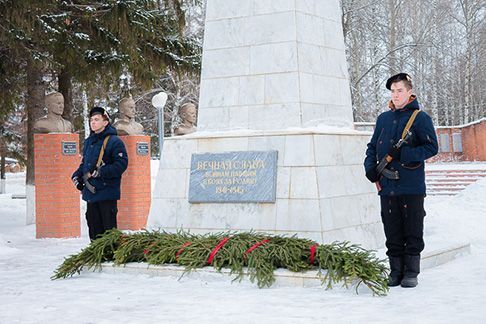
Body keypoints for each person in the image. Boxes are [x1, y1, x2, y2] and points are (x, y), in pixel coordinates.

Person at [364, 73, 438, 288]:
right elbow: (371, 147)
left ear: (409, 92)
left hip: (411, 185)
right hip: (387, 186)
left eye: (399, 91)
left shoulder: (420, 118)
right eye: (393, 91)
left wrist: (404, 154)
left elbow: (431, 147)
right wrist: (370, 169)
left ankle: (411, 272)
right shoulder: (383, 119)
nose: (395, 95)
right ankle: (395, 271)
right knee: (392, 229)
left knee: (413, 229)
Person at [72, 107, 128, 241]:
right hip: (91, 194)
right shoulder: (89, 141)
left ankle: (109, 259)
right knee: (94, 230)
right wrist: (77, 175)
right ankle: (97, 258)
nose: (93, 122)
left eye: (97, 119)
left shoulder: (115, 141)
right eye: (91, 120)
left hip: (107, 193)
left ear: (105, 122)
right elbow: (85, 164)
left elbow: (121, 164)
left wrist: (101, 172)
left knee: (108, 233)